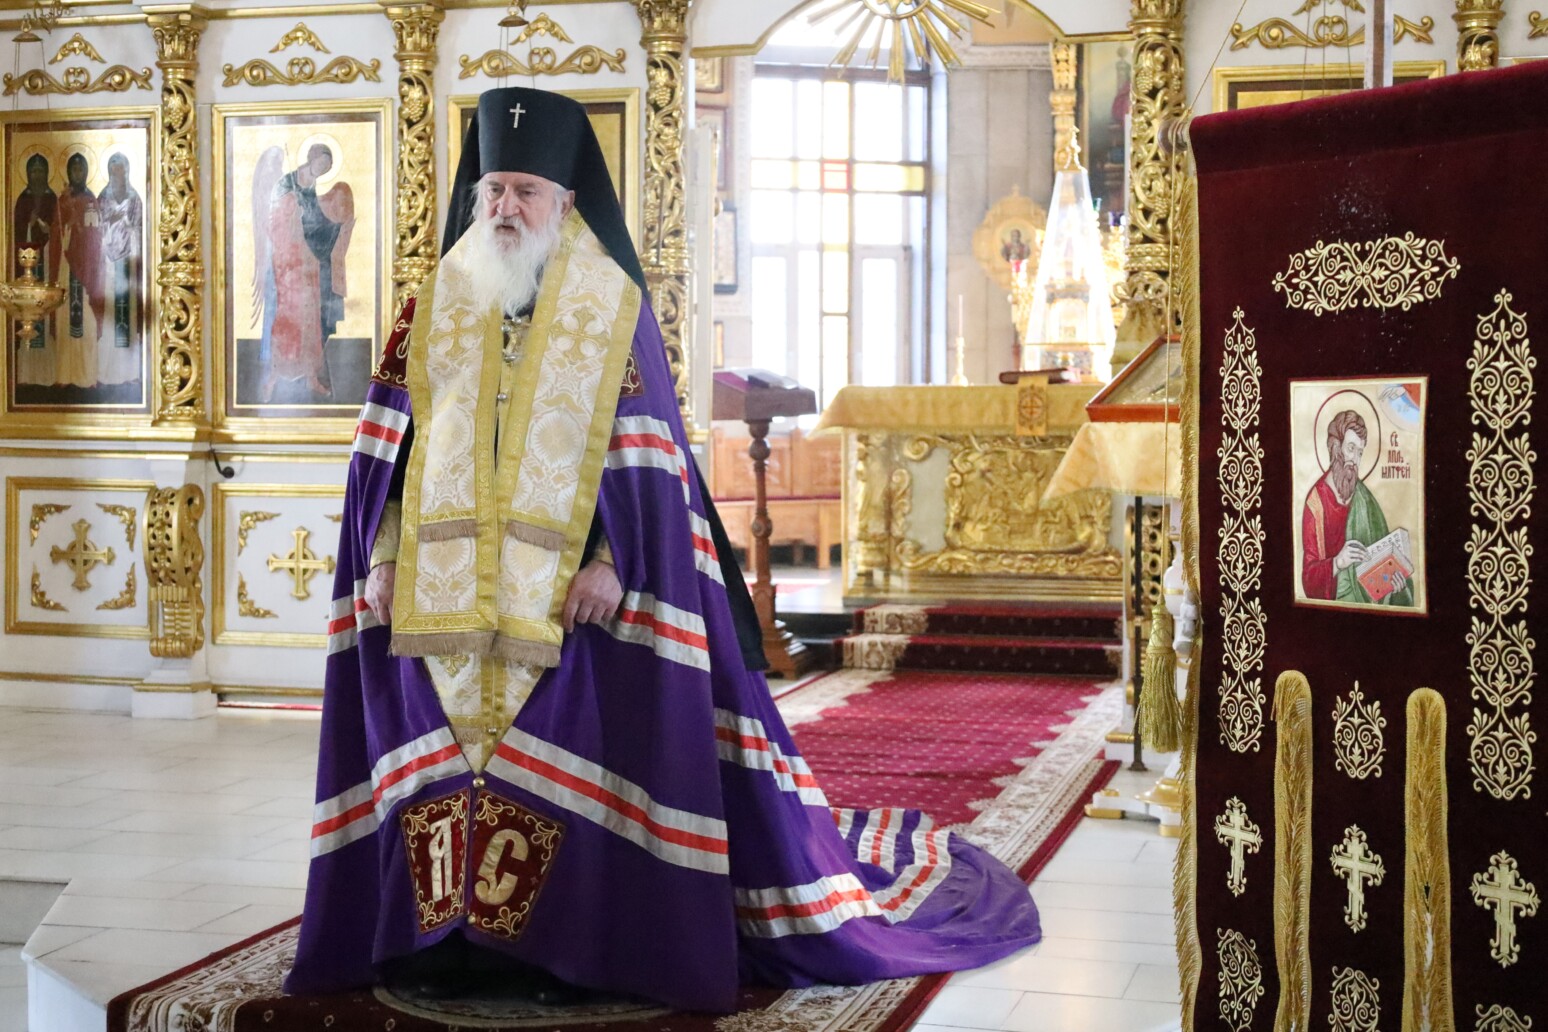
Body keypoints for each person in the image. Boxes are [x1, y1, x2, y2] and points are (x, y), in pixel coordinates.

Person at [285, 86, 1039, 1013]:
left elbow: (647, 461)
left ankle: (560, 956)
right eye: (493, 190)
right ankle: (442, 944)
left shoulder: (611, 308)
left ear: (566, 202)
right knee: (438, 777)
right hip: (440, 612)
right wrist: (382, 558)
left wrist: (615, 564)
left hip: (571, 607)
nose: (507, 208)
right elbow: (388, 458)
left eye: (525, 191)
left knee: (560, 776)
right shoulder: (430, 304)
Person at [251, 142, 354, 402]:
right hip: (288, 264)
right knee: (288, 318)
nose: (323, 168)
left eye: (327, 166)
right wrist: (292, 212)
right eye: (321, 163)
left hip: (308, 263)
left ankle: (310, 375)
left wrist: (337, 226)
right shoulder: (286, 184)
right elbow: (272, 222)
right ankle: (275, 376)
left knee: (310, 317)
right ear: (311, 158)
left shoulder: (311, 187)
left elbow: (316, 222)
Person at [1301, 409, 1413, 605]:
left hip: (1369, 600)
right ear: (1336, 448)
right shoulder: (1316, 503)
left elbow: (1386, 555)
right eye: (1351, 448)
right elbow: (1308, 580)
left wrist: (1396, 584)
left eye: (1360, 452)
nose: (1355, 459)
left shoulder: (1365, 498)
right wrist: (1338, 562)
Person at [96, 152, 143, 387]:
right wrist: (110, 221)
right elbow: (95, 228)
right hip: (108, 261)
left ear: (127, 171)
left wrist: (128, 225)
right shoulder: (102, 198)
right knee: (110, 313)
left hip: (128, 259)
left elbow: (139, 227)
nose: (117, 173)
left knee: (127, 311)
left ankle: (129, 373)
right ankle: (106, 372)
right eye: (113, 169)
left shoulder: (135, 198)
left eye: (121, 169)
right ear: (108, 172)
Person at [54, 152, 101, 389]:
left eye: (81, 169)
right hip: (67, 264)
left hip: (85, 264)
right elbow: (56, 232)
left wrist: (80, 229)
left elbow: (96, 234)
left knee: (87, 321)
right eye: (74, 169)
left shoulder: (91, 200)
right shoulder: (61, 201)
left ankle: (87, 376)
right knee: (65, 317)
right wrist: (68, 226)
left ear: (86, 172)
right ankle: (64, 375)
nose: (77, 173)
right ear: (68, 172)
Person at [13, 153, 59, 377]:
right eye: (34, 171)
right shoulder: (23, 199)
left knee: (46, 311)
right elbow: (15, 230)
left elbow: (58, 228)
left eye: (41, 171)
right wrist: (29, 225)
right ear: (28, 174)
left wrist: (48, 229)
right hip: (25, 266)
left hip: (48, 258)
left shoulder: (52, 199)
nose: (38, 175)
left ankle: (46, 371)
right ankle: (28, 371)